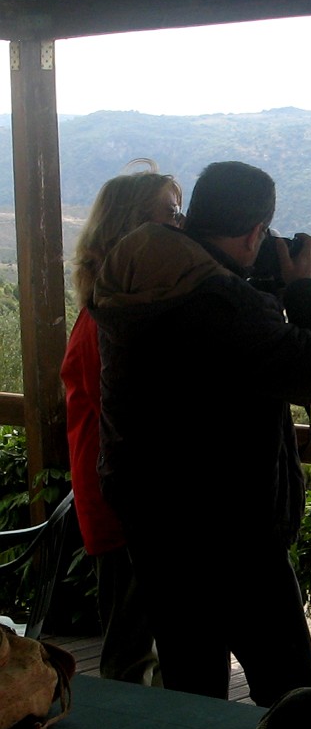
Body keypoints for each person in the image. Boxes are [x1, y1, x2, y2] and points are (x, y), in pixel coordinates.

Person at [92, 160, 311, 706]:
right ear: (256, 232)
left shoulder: (138, 283)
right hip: (235, 530)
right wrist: (305, 289)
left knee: (192, 688)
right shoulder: (222, 304)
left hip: (156, 522)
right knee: (292, 693)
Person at [61, 158, 180, 686]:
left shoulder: (112, 310)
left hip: (129, 498)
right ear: (132, 229)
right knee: (131, 650)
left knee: (146, 639)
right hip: (124, 504)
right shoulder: (106, 323)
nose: (181, 226)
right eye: (169, 216)